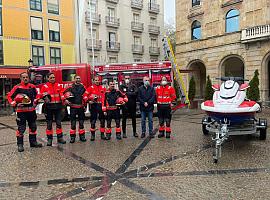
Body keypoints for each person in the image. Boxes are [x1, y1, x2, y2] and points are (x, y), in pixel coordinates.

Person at [7, 72, 42, 152]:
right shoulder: (17, 87)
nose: (25, 79)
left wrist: (37, 100)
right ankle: (20, 144)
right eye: (24, 77)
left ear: (28, 78)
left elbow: (37, 95)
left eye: (27, 77)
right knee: (21, 128)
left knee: (33, 127)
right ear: (21, 78)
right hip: (21, 112)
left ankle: (33, 143)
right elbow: (9, 96)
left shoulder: (32, 86)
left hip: (31, 111)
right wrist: (13, 103)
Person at [39, 72, 66, 146]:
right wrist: (43, 97)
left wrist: (64, 102)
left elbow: (63, 94)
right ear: (48, 78)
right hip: (49, 107)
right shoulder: (44, 86)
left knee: (58, 123)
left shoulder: (59, 85)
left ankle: (60, 138)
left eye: (53, 77)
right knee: (49, 124)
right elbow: (41, 95)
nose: (52, 79)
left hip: (58, 107)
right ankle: (49, 139)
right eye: (51, 78)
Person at [64, 75, 87, 143]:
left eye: (79, 78)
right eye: (76, 78)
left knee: (81, 123)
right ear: (74, 79)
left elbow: (85, 97)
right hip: (73, 107)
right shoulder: (70, 87)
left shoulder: (83, 87)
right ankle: (72, 137)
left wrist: (85, 106)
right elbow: (63, 94)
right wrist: (65, 100)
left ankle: (82, 137)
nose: (78, 79)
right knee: (73, 124)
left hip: (80, 107)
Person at [85, 76, 107, 141]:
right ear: (93, 81)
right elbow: (84, 96)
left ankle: (102, 135)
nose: (97, 81)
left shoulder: (103, 88)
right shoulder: (90, 88)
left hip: (101, 106)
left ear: (100, 81)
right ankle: (92, 135)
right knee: (93, 121)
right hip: (94, 105)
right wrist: (89, 101)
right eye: (96, 80)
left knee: (102, 121)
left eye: (98, 80)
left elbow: (106, 97)